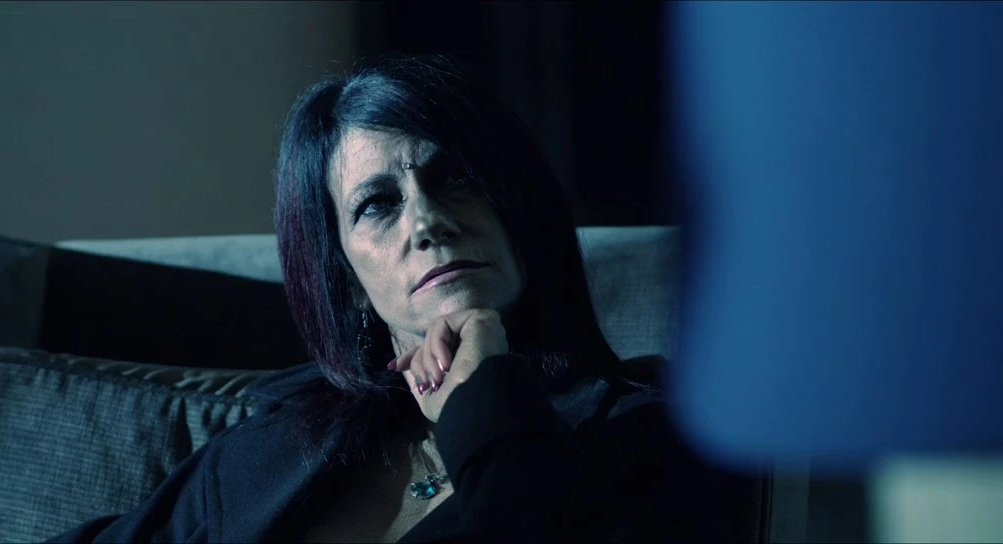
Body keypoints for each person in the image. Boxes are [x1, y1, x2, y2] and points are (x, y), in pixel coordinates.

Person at [50, 53, 759, 543]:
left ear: (520, 211)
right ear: (348, 281)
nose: (427, 221)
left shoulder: (657, 435)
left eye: (455, 178)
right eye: (377, 204)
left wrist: (485, 400)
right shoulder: (268, 451)